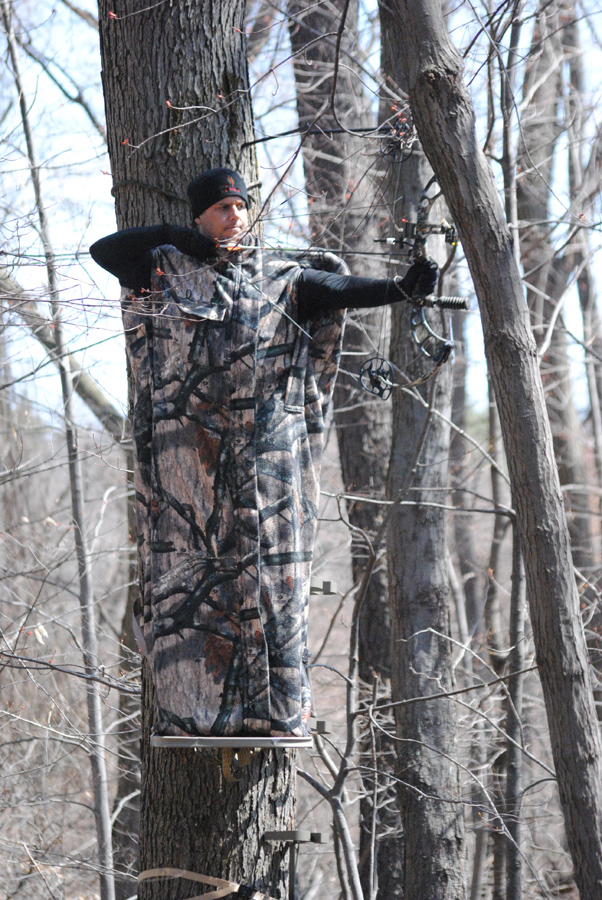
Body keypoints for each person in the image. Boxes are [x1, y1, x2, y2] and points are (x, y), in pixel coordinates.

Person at [90, 167, 438, 739]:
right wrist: (181, 239)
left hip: (268, 475)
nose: (235, 218)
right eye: (223, 209)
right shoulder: (162, 270)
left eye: (242, 208)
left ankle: (275, 713)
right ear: (201, 215)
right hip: (186, 477)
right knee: (192, 587)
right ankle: (194, 716)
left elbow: (347, 292)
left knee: (272, 588)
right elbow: (105, 251)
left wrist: (403, 289)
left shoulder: (282, 279)